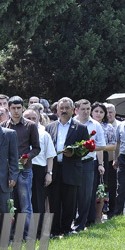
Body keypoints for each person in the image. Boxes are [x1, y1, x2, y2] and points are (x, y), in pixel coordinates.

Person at [45, 97, 90, 236]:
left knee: (70, 202)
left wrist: (74, 153)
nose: (64, 111)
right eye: (61, 108)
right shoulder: (50, 127)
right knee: (54, 201)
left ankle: (66, 229)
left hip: (71, 169)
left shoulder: (80, 128)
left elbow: (86, 148)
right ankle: (54, 229)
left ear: (72, 110)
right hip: (55, 169)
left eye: (67, 108)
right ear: (57, 109)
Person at [2, 96, 40, 237]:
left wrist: (27, 157)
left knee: (25, 205)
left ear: (23, 108)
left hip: (24, 170)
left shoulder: (30, 125)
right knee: (9, 203)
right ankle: (10, 235)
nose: (16, 111)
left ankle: (28, 235)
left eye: (19, 108)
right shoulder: (4, 126)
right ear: (9, 109)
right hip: (8, 170)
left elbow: (36, 148)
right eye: (13, 108)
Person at [73, 99, 106, 231]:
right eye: (83, 109)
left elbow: (102, 145)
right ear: (76, 110)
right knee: (71, 194)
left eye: (88, 109)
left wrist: (90, 148)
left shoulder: (96, 125)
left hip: (87, 163)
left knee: (85, 195)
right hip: (72, 163)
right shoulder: (72, 123)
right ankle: (69, 222)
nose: (86, 112)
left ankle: (81, 224)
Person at [23, 109, 56, 222]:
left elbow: (50, 155)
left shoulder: (44, 134)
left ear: (38, 119)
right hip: (22, 169)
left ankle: (38, 230)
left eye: (33, 118)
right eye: (28, 118)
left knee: (38, 201)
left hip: (38, 169)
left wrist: (49, 173)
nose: (31, 120)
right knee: (23, 200)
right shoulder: (17, 132)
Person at [104, 103, 120, 214]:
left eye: (111, 112)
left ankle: (112, 209)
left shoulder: (119, 125)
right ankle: (102, 207)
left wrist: (116, 159)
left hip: (114, 161)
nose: (109, 114)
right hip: (102, 160)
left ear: (114, 113)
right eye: (107, 112)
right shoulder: (101, 124)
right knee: (102, 185)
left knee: (113, 186)